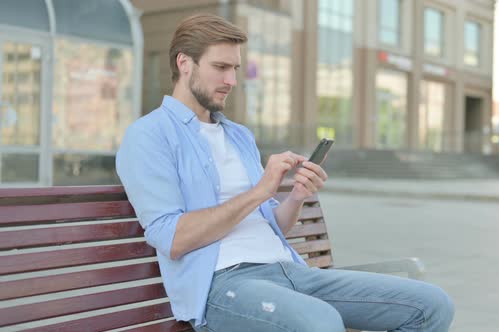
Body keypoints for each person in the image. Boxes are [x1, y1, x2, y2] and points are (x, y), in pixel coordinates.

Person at [116, 13, 454, 332]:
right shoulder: (149, 135)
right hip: (222, 284)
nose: (231, 81)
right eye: (220, 67)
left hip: (290, 271)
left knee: (432, 305)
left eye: (235, 68)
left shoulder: (238, 135)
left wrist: (295, 197)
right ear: (184, 63)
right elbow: (172, 239)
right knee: (320, 323)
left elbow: (269, 225)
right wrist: (260, 191)